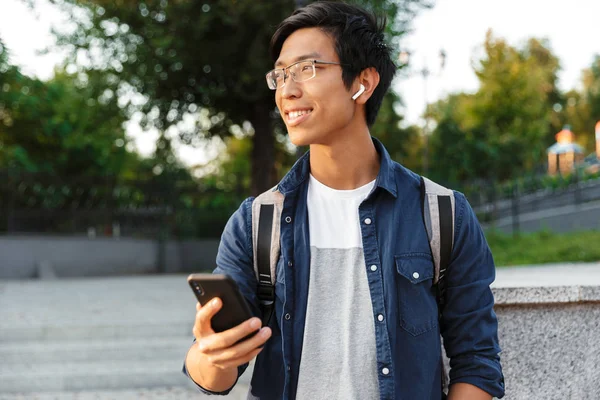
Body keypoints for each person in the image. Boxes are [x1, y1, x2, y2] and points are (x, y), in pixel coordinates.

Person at [183, 2, 505, 399]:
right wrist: (211, 354)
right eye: (280, 75)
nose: (288, 89)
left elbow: (477, 361)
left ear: (362, 83)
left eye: (306, 68)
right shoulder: (256, 222)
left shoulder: (442, 214)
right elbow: (215, 377)